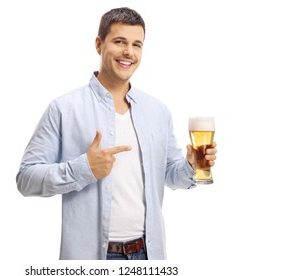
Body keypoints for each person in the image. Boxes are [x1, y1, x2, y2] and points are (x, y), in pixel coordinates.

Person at [16, 7, 217, 260]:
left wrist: (190, 164)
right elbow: (25, 179)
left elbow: (169, 175)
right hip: (90, 258)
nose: (128, 52)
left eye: (137, 44)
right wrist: (84, 169)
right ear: (99, 44)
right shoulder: (64, 108)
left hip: (149, 254)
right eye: (119, 41)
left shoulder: (157, 111)